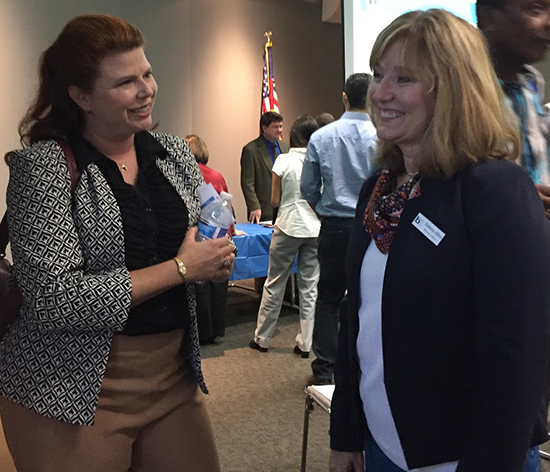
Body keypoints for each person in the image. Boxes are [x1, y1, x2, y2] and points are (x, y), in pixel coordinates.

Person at [0, 14, 235, 472]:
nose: (146, 88)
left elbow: (195, 239)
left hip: (172, 380)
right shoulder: (42, 168)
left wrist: (212, 259)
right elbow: (53, 299)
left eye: (146, 73)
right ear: (81, 96)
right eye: (126, 82)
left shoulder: (173, 153)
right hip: (69, 388)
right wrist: (182, 268)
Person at [329, 9, 550, 472]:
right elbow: (357, 316)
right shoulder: (381, 187)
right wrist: (347, 432)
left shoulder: (494, 189)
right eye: (378, 74)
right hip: (383, 447)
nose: (381, 93)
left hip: (464, 457)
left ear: (451, 89)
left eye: (404, 79)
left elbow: (516, 355)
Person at [300, 73, 377, 384]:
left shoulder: (321, 137)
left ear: (344, 97)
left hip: (334, 225)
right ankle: (363, 366)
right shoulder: (384, 136)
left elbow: (308, 188)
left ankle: (325, 370)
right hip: (374, 227)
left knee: (329, 298)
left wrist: (323, 211)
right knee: (370, 297)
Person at [249, 115, 321, 356]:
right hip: (314, 229)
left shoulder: (283, 160)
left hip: (288, 225)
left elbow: (274, 200)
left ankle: (262, 338)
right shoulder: (318, 161)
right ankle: (306, 343)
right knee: (310, 287)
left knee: (274, 283)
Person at [477, 0, 550, 222]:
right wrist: (514, 196)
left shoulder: (532, 82)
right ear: (489, 17)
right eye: (535, 9)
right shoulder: (462, 92)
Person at [185, 134, 235, 345]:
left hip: (197, 235)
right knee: (218, 283)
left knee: (200, 285)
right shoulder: (217, 175)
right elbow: (228, 207)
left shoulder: (185, 174)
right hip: (221, 236)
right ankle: (216, 329)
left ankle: (202, 332)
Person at [240, 111, 290, 224]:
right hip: (263, 212)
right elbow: (247, 183)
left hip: (286, 211)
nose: (279, 130)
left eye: (281, 126)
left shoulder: (286, 147)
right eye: (275, 127)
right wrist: (254, 206)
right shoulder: (251, 150)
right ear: (264, 128)